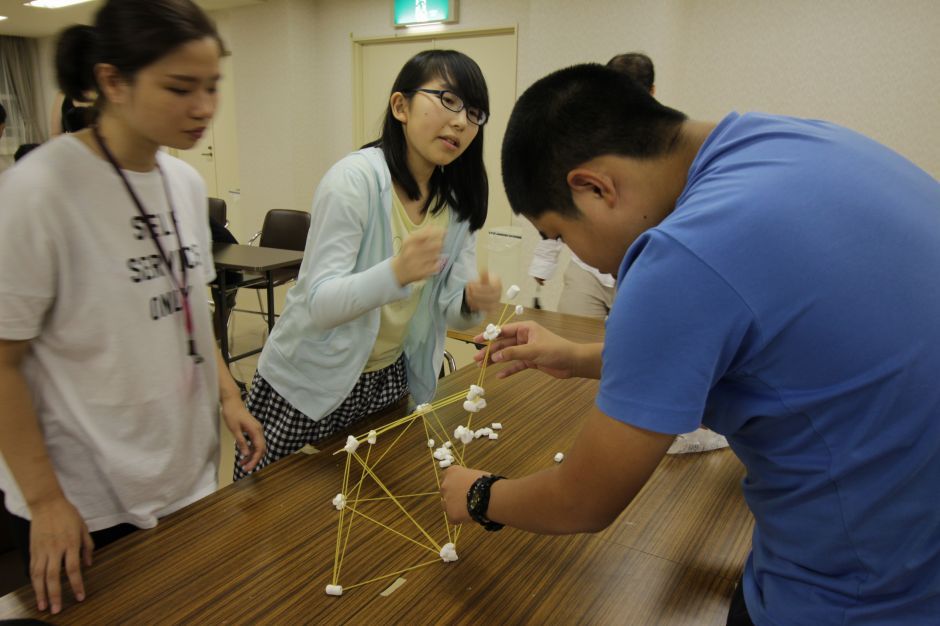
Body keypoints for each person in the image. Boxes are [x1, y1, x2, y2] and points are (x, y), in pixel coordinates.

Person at [441, 64, 940, 625]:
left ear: (595, 187)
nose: (574, 255)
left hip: (861, 594)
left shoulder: (681, 255)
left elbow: (584, 500)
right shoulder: (787, 140)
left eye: (559, 234)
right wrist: (575, 356)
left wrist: (478, 493)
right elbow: (761, 337)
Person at [0, 0, 266, 615]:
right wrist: (44, 501)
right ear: (112, 82)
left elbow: (188, 310)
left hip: (181, 476)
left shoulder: (184, 184)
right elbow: (4, 364)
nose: (203, 107)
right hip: (80, 502)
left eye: (212, 87)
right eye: (180, 88)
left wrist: (228, 396)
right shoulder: (37, 193)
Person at [234, 49, 501, 480]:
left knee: (362, 516)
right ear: (401, 106)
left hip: (387, 382)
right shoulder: (353, 181)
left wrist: (472, 302)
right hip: (307, 382)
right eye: (447, 101)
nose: (460, 122)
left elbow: (450, 308)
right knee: (272, 523)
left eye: (474, 113)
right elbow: (319, 303)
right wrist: (396, 273)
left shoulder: (455, 204)